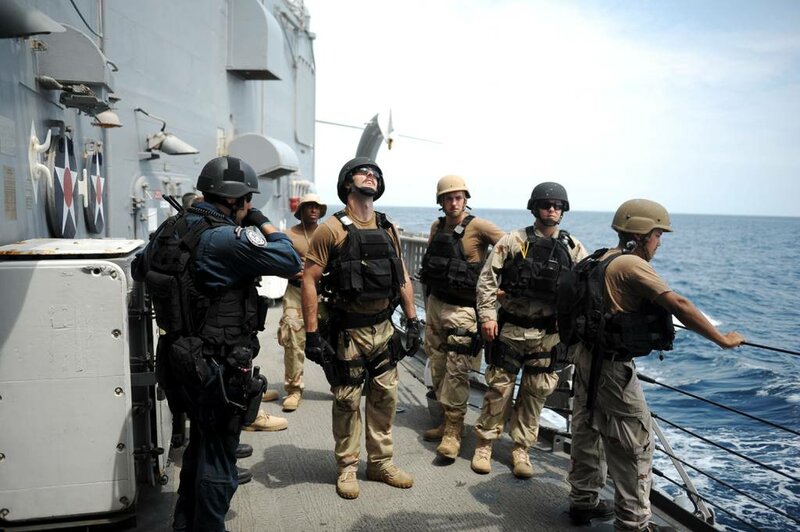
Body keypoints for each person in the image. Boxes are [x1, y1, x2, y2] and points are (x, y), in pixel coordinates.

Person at [132, 156, 302, 531]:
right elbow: (291, 260)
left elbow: (139, 268)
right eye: (248, 201)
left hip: (177, 357)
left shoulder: (171, 228)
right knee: (219, 457)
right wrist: (261, 221)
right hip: (214, 365)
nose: (250, 206)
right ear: (236, 199)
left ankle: (184, 525)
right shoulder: (223, 238)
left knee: (200, 445)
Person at [566, 199, 745, 531]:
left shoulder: (602, 257)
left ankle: (582, 501)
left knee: (588, 429)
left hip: (587, 357)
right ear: (640, 234)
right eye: (657, 235)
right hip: (612, 368)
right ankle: (633, 523)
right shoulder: (631, 264)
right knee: (634, 444)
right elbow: (679, 304)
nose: (659, 242)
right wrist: (722, 339)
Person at [301, 156, 421, 500]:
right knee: (347, 400)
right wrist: (312, 334)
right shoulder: (331, 229)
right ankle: (347, 466)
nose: (371, 176)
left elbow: (401, 273)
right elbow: (309, 280)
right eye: (363, 172)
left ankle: (380, 463)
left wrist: (412, 319)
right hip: (347, 331)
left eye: (375, 174)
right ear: (347, 182)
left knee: (385, 396)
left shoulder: (386, 226)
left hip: (383, 327)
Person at [472, 182, 587, 478]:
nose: (552, 210)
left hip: (546, 336)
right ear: (535, 208)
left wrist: (569, 321)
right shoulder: (513, 241)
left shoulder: (573, 248)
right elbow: (488, 280)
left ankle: (521, 449)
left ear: (563, 211)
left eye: (557, 206)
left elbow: (584, 288)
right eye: (546, 205)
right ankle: (484, 444)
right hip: (511, 328)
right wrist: (487, 316)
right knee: (499, 388)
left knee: (535, 394)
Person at [418, 174, 504, 460]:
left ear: (465, 199)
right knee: (438, 366)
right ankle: (446, 421)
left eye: (458, 198)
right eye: (448, 198)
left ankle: (454, 432)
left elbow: (513, 249)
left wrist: (498, 288)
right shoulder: (437, 226)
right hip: (436, 304)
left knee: (457, 370)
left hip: (464, 310)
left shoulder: (478, 226)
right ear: (440, 202)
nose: (454, 203)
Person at [278, 193, 328, 412]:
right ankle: (294, 389)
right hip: (296, 292)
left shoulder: (328, 233)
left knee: (333, 339)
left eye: (317, 206)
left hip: (324, 294)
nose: (313, 210)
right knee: (293, 338)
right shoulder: (288, 235)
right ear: (301, 210)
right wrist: (297, 273)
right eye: (309, 206)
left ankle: (339, 381)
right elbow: (279, 264)